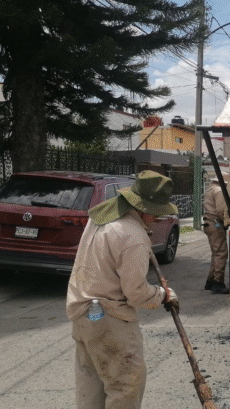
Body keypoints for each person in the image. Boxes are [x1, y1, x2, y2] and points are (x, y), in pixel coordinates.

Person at [66, 170, 180, 409]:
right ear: (143, 209)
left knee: (91, 390)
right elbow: (136, 293)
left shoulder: (102, 217)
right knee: (126, 387)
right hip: (111, 320)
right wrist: (163, 295)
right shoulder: (133, 235)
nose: (157, 219)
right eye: (156, 213)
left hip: (83, 314)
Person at [203, 176, 229, 294]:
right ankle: (218, 283)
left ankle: (211, 281)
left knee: (216, 253)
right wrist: (227, 221)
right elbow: (221, 210)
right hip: (216, 224)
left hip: (209, 223)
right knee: (221, 253)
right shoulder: (219, 191)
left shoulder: (209, 189)